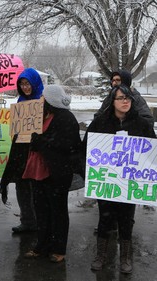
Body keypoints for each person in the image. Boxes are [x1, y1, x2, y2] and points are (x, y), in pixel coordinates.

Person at [83, 84, 156, 273]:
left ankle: (125, 258)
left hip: (130, 184)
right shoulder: (100, 123)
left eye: (128, 98)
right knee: (105, 219)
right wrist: (90, 172)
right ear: (112, 101)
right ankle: (101, 256)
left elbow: (152, 153)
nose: (125, 101)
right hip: (107, 182)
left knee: (126, 220)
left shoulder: (142, 124)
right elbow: (86, 149)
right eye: (121, 98)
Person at [22, 85, 81, 263]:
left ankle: (58, 249)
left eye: (43, 98)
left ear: (50, 101)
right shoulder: (41, 116)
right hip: (39, 172)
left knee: (58, 212)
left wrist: (42, 142)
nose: (40, 101)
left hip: (57, 173)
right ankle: (42, 246)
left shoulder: (66, 118)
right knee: (41, 211)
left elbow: (68, 146)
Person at [0, 67, 44, 233]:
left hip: (37, 151)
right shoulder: (20, 102)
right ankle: (27, 220)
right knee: (22, 186)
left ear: (35, 83)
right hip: (21, 151)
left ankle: (40, 221)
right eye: (22, 84)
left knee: (37, 188)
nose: (25, 87)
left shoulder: (44, 101)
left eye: (28, 83)